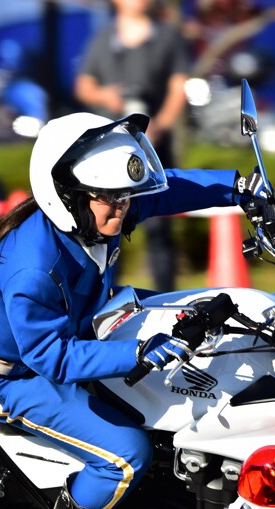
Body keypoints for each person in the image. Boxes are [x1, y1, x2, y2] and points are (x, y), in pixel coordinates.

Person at [0, 112, 250, 509]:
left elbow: (164, 190)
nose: (122, 208)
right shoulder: (33, 269)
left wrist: (236, 187)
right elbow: (51, 358)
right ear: (69, 196)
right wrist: (139, 353)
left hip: (80, 325)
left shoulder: (93, 213)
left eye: (125, 195)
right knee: (126, 453)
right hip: (11, 374)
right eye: (109, 197)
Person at [75, 0, 189, 292]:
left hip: (153, 147)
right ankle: (106, 293)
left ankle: (167, 295)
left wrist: (159, 126)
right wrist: (105, 96)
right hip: (109, 151)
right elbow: (84, 85)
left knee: (158, 224)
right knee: (106, 223)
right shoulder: (103, 38)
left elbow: (179, 87)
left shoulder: (167, 37)